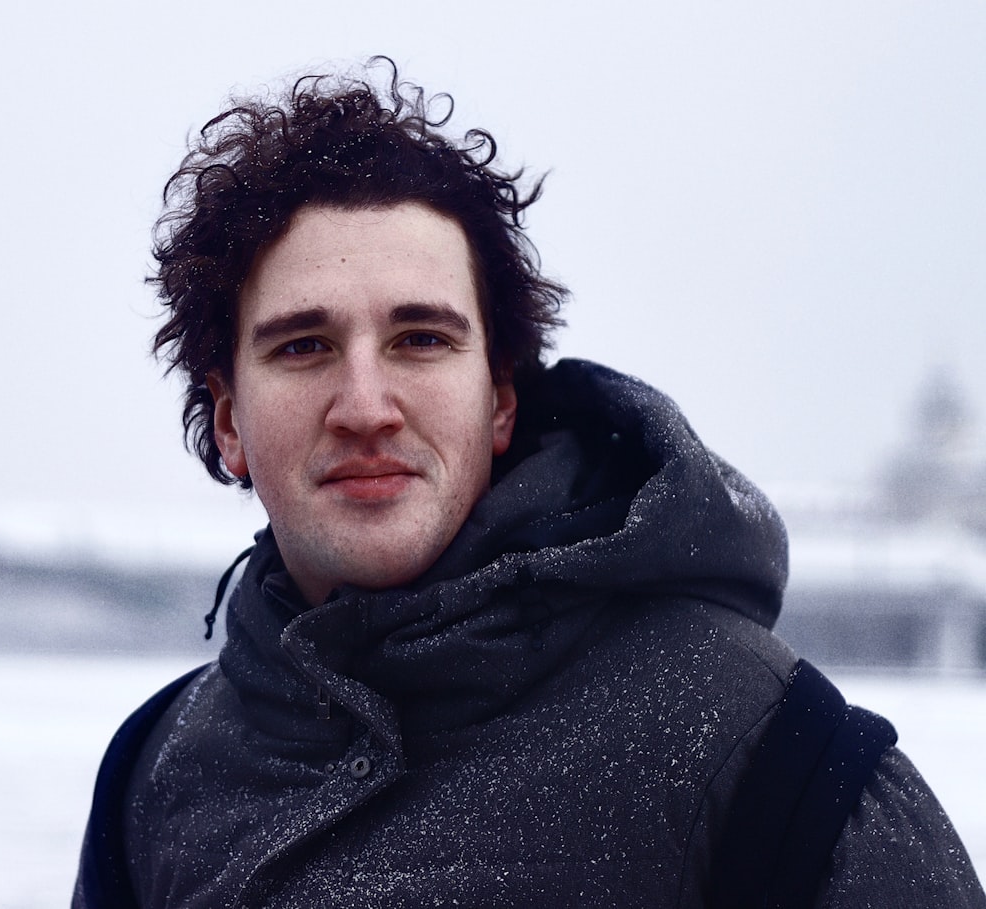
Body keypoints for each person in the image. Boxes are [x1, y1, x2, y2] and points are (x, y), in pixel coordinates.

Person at [73, 58, 985, 908]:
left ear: (500, 400)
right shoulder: (154, 776)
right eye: (303, 346)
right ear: (229, 420)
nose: (364, 405)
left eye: (420, 339)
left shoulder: (773, 756)